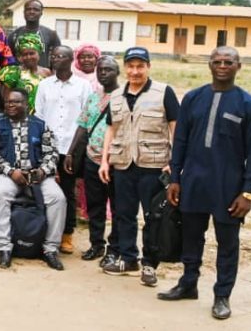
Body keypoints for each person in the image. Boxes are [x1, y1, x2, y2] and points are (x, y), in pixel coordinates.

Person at [161, 47, 251, 320]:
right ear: (210, 65)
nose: (222, 66)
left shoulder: (248, 104)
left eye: (228, 62)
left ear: (239, 66)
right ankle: (188, 283)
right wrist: (175, 179)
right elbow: (180, 141)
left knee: (228, 243)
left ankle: (222, 295)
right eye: (217, 61)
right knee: (191, 237)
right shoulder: (193, 98)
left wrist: (248, 193)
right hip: (193, 181)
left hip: (229, 186)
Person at [100, 47, 179, 287]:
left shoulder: (163, 92)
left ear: (148, 67)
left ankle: (149, 264)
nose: (135, 71)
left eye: (140, 66)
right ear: (125, 68)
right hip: (123, 164)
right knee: (124, 215)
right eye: (131, 66)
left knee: (153, 216)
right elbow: (111, 129)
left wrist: (174, 162)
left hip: (154, 166)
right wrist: (104, 160)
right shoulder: (116, 96)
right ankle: (128, 258)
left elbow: (175, 128)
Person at [0, 88, 66, 270]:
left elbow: (52, 153)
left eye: (15, 102)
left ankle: (50, 249)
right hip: (8, 174)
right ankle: (4, 247)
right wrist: (11, 171)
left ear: (26, 104)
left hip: (37, 176)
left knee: (57, 198)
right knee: (1, 194)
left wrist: (43, 171)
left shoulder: (41, 125)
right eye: (8, 102)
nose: (10, 105)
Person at [64, 55, 120, 264]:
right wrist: (70, 152)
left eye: (108, 69)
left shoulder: (124, 97)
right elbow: (82, 125)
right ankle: (97, 244)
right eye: (100, 70)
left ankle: (115, 247)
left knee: (118, 207)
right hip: (92, 158)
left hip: (117, 161)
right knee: (95, 205)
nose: (103, 73)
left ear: (117, 73)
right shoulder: (94, 97)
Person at [35, 45, 91, 255]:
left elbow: (85, 118)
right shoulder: (45, 85)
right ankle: (44, 231)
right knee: (44, 188)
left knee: (68, 192)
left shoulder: (83, 86)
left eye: (61, 56)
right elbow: (39, 116)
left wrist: (72, 152)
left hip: (71, 147)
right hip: (47, 147)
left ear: (71, 60)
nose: (55, 59)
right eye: (54, 56)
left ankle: (66, 234)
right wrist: (41, 146)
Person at [0, 33, 51, 110]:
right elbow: (7, 99)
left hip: (41, 114)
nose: (28, 57)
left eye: (32, 53)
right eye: (25, 54)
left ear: (38, 53)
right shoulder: (13, 72)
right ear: (21, 57)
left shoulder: (46, 73)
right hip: (19, 115)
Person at [7, 0, 61, 69]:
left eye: (36, 10)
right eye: (28, 9)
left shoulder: (51, 34)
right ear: (24, 12)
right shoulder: (14, 35)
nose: (31, 12)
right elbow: (8, 59)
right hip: (19, 75)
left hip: (43, 75)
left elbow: (58, 60)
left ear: (41, 13)